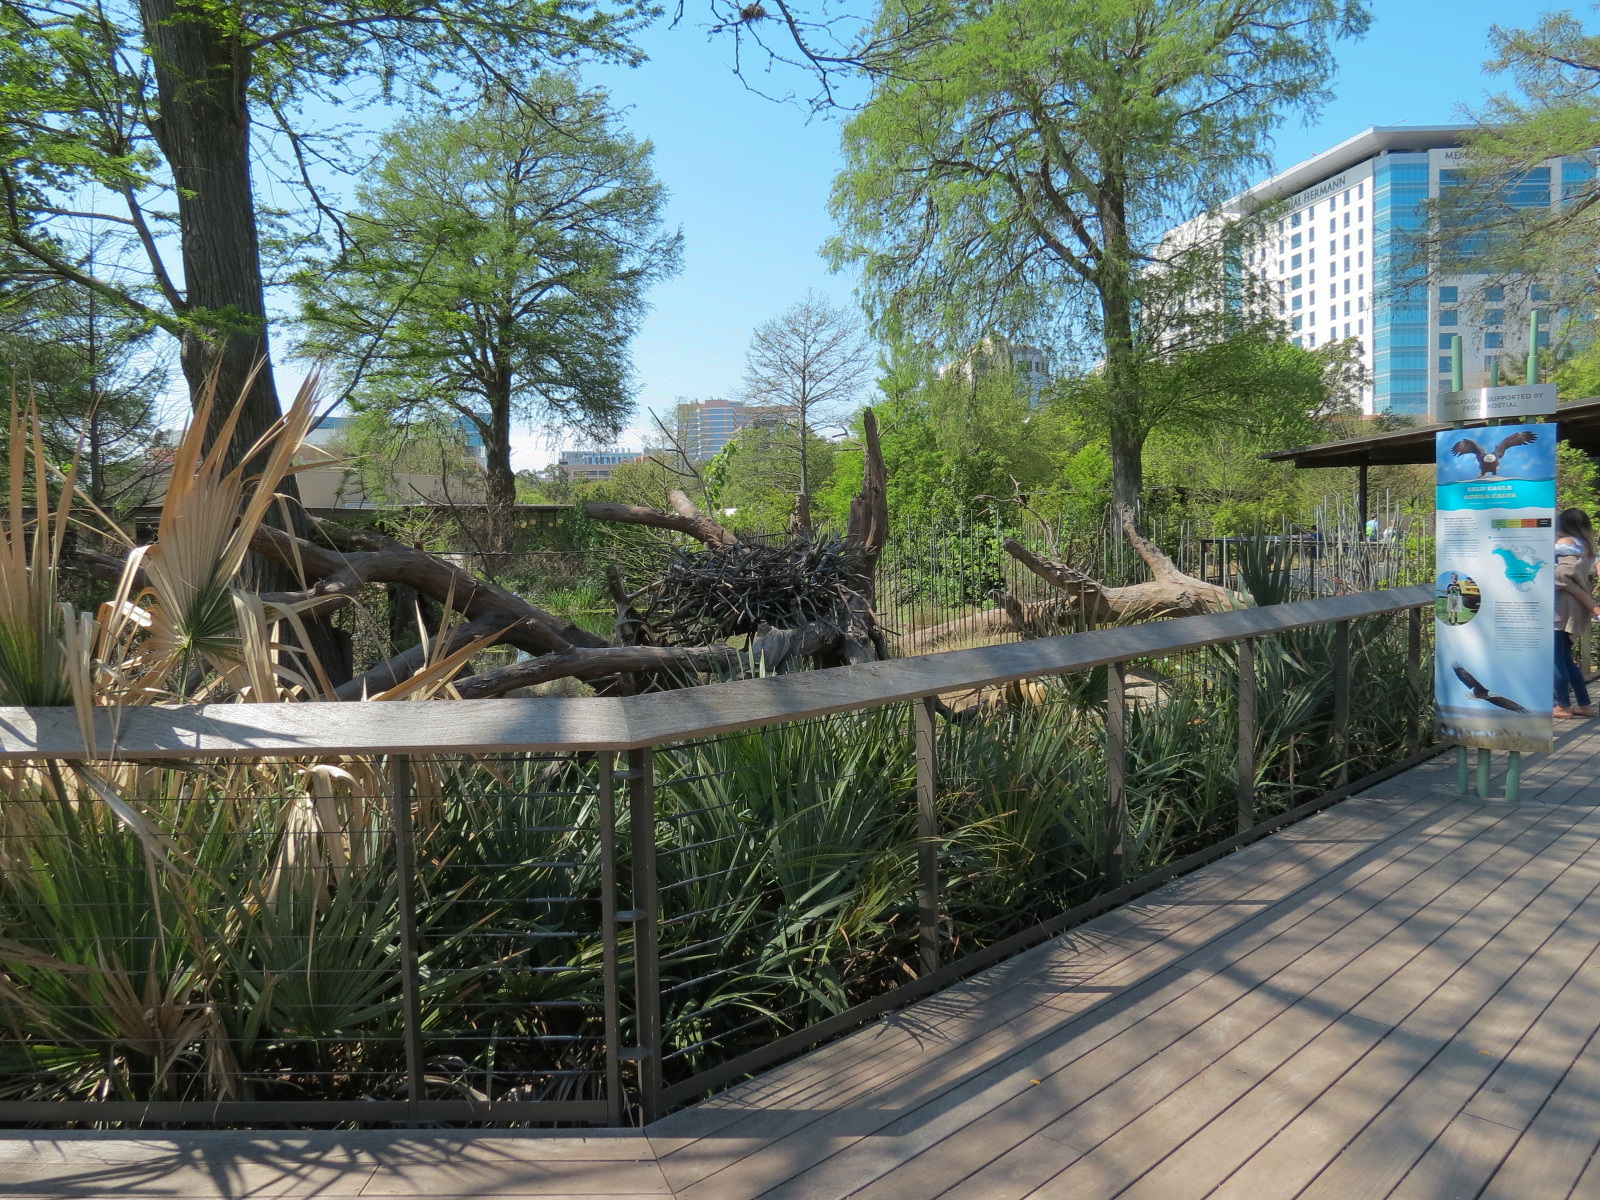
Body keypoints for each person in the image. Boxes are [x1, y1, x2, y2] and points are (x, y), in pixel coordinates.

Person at [1553, 508, 1599, 719]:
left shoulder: (1566, 543)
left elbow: (1562, 574)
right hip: (1573, 607)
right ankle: (1584, 704)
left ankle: (1562, 705)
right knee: (1565, 657)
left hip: (1560, 607)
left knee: (1556, 659)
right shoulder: (1586, 546)